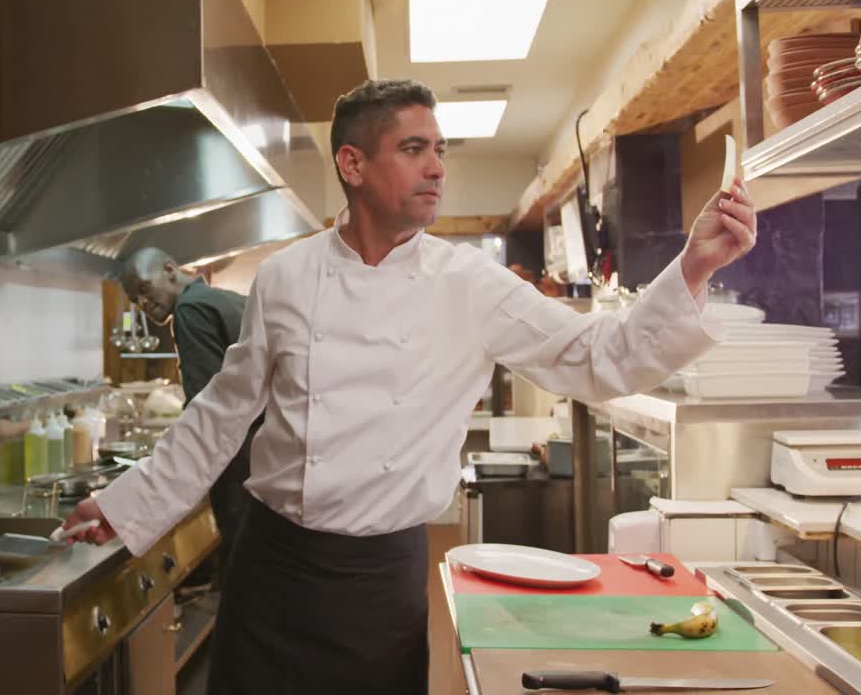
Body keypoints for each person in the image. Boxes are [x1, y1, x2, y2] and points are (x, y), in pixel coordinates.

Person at [64, 78, 757, 694]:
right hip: (273, 571)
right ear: (353, 164)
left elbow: (600, 358)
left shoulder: (469, 285)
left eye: (441, 150)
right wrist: (127, 504)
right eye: (414, 149)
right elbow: (220, 415)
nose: (436, 168)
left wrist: (692, 269)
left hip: (380, 585)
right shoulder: (287, 277)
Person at [118, 247, 257, 583]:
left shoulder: (190, 310)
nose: (142, 303)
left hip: (240, 471)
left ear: (169, 269)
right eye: (134, 299)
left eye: (143, 288)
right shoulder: (222, 299)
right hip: (262, 466)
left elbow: (206, 414)